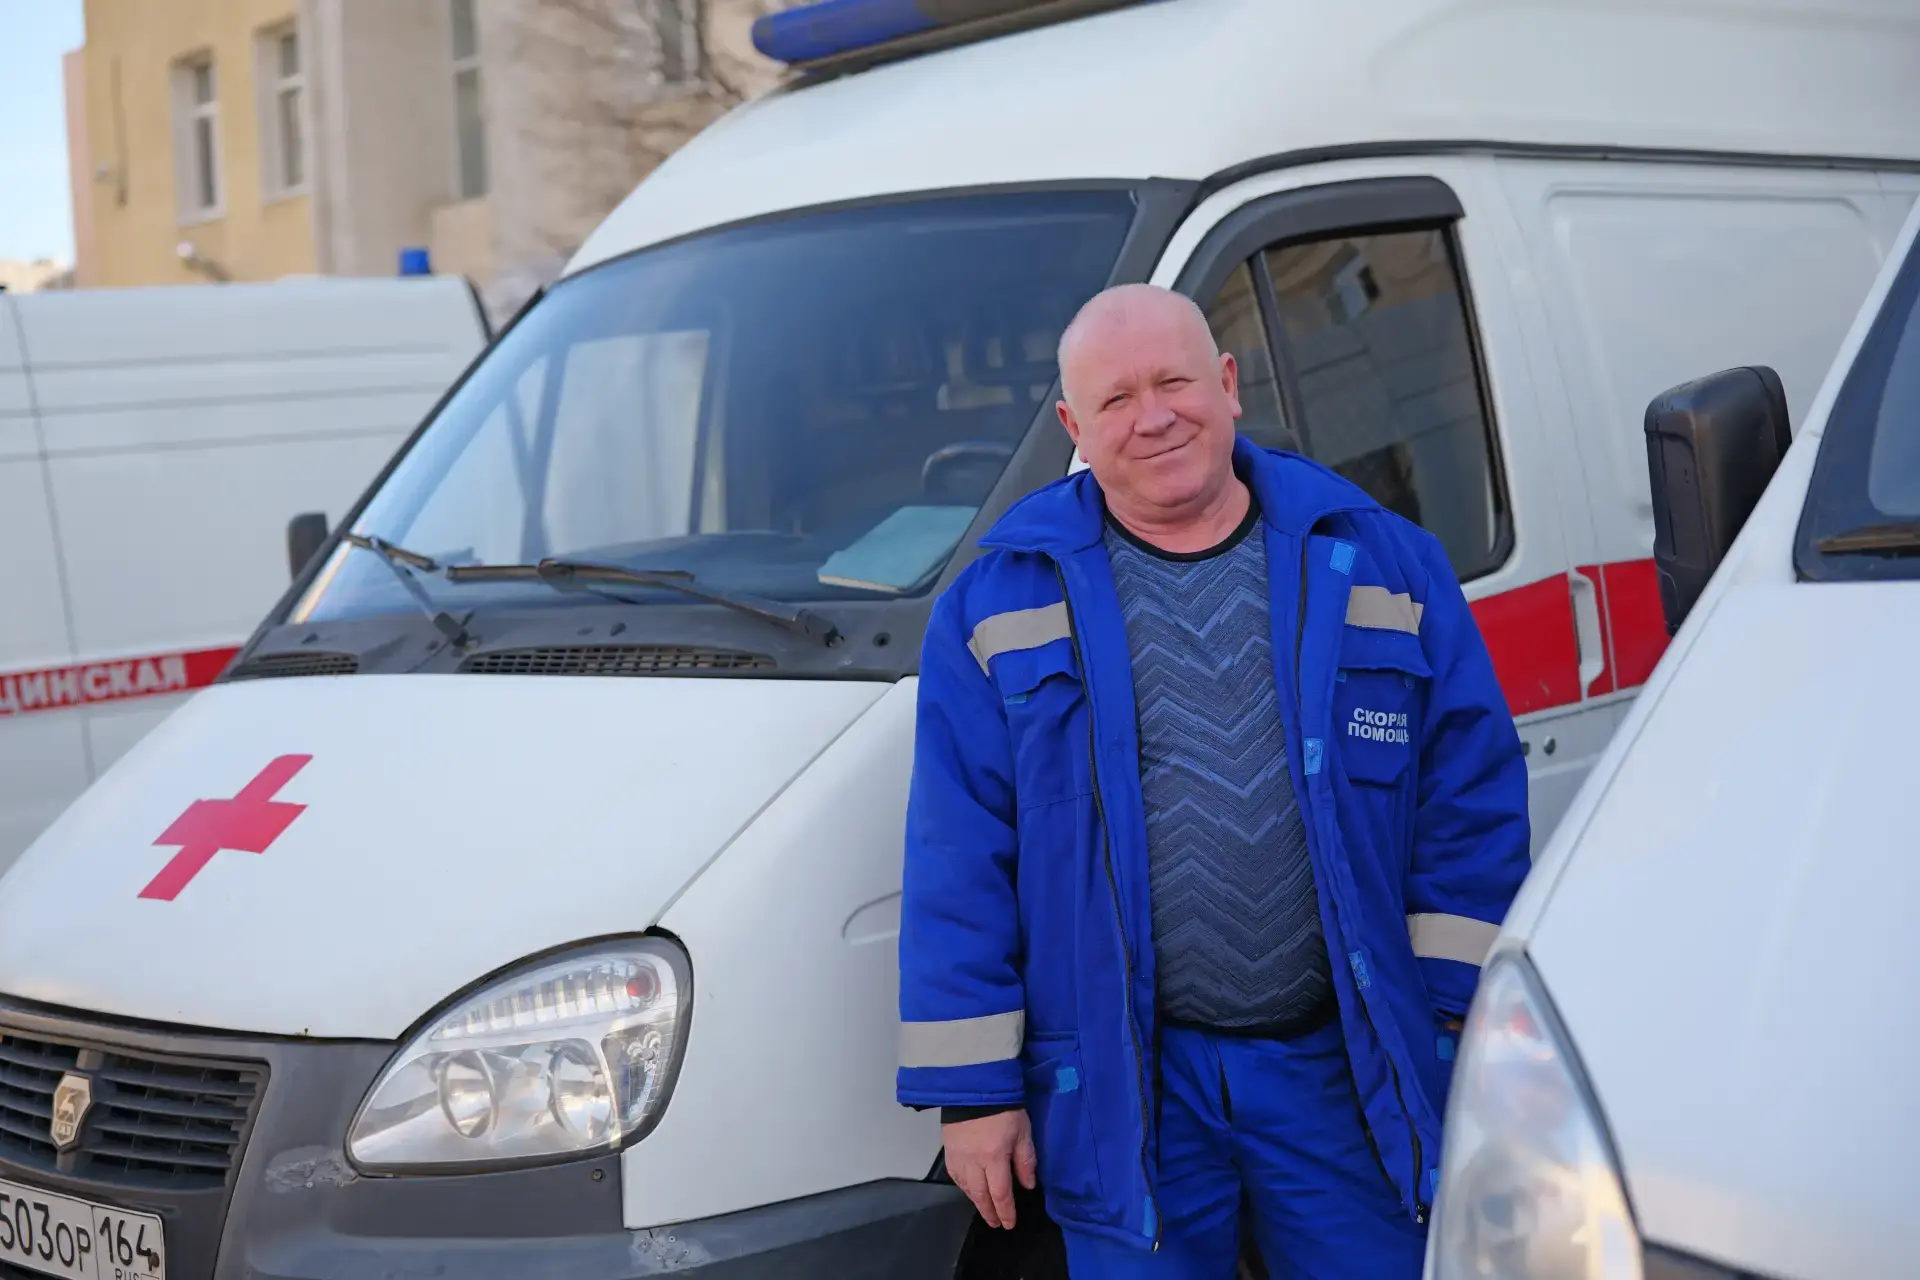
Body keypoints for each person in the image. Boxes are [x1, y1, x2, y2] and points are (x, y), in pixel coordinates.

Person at [896, 283, 1531, 1276]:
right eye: (1115, 399)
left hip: (1347, 1067)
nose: (1152, 417)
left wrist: (1452, 1012)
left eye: (1174, 382)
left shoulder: (1381, 561)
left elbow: (1472, 794)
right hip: (1126, 1083)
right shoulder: (995, 604)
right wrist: (975, 1093)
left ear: (1228, 384)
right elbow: (958, 857)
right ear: (1073, 427)